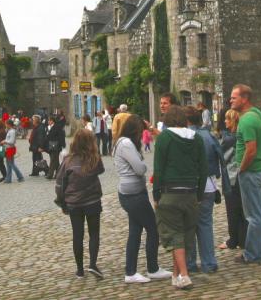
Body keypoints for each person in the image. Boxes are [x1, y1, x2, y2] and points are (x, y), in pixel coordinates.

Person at [113, 114, 172, 284]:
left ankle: (131, 271)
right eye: (140, 131)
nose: (141, 135)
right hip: (133, 194)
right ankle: (152, 268)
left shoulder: (123, 142)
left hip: (132, 192)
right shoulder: (125, 143)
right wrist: (144, 164)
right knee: (153, 228)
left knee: (135, 231)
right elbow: (140, 169)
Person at [153, 105, 205, 289]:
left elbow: (158, 168)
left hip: (170, 192)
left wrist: (156, 194)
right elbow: (203, 169)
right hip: (190, 192)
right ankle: (175, 275)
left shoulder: (165, 138)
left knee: (175, 235)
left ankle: (184, 275)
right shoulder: (197, 138)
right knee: (184, 235)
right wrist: (199, 194)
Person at [230, 84, 261, 265]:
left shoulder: (246, 120)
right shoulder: (257, 113)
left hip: (251, 171)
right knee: (257, 210)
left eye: (234, 98)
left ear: (244, 99)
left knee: (252, 215)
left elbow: (250, 150)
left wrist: (241, 169)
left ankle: (252, 254)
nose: (231, 100)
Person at [55, 127, 105, 279]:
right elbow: (101, 170)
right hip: (92, 201)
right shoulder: (95, 159)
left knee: (77, 235)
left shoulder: (68, 161)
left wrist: (62, 202)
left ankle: (79, 270)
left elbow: (60, 183)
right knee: (94, 233)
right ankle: (93, 264)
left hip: (74, 203)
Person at [186, 105, 221, 275]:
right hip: (210, 184)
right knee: (205, 224)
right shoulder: (209, 135)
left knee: (189, 226)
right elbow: (218, 156)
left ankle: (191, 263)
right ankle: (209, 262)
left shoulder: (188, 136)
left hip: (193, 186)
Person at [218, 108, 247, 251]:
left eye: (227, 119)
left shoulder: (229, 138)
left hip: (232, 177)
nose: (224, 121)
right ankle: (242, 239)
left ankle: (233, 240)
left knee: (232, 210)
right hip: (240, 177)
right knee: (241, 210)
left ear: (233, 121)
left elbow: (222, 158)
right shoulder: (239, 135)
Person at [2, 119, 25, 184]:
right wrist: (4, 141)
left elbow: (11, 141)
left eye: (6, 124)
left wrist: (5, 141)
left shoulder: (12, 131)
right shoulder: (10, 131)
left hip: (10, 149)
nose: (5, 125)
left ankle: (20, 177)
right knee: (9, 164)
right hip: (8, 149)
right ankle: (8, 179)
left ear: (9, 124)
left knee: (11, 164)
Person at [45, 115, 64, 179]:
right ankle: (59, 173)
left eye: (49, 120)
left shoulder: (57, 127)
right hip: (50, 146)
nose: (48, 121)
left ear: (52, 121)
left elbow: (61, 136)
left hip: (56, 146)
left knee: (53, 160)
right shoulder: (48, 127)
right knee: (56, 161)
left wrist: (61, 145)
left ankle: (50, 174)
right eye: (48, 120)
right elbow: (47, 137)